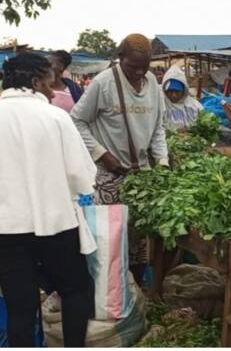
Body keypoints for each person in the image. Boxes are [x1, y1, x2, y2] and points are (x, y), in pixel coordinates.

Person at [0, 51, 97, 348]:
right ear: (33, 81)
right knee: (76, 290)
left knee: (21, 307)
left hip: (0, 229)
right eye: (49, 81)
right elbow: (83, 177)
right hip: (54, 223)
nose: (53, 90)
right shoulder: (55, 118)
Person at [70, 33, 168, 284]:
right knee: (110, 244)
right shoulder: (104, 83)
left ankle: (134, 295)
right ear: (119, 58)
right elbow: (76, 120)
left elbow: (158, 129)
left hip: (142, 178)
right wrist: (102, 154)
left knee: (138, 246)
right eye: (133, 66)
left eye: (144, 67)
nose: (138, 73)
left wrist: (163, 163)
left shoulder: (154, 89)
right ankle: (108, 297)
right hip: (109, 176)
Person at [162, 65, 204, 131]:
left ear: (184, 91)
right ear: (165, 91)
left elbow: (204, 123)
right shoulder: (160, 106)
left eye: (177, 91)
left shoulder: (195, 106)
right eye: (170, 91)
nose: (174, 95)